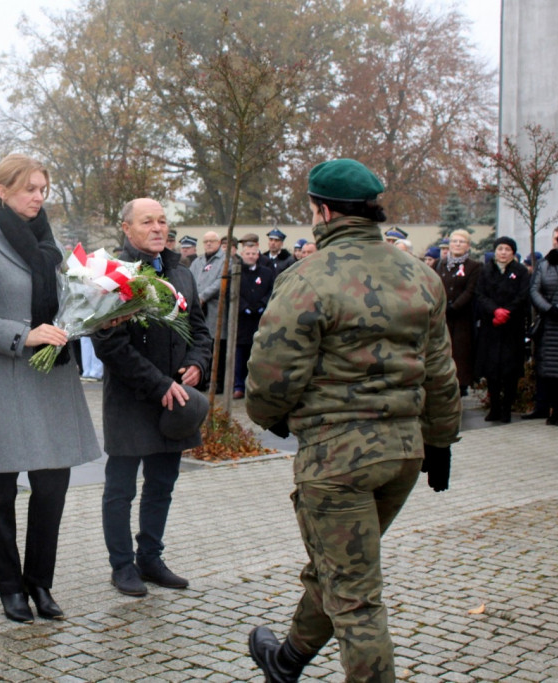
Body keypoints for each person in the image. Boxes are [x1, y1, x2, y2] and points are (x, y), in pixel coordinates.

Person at [245, 158, 461, 682]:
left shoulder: (307, 277)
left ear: (321, 211)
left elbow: (270, 379)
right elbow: (440, 372)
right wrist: (441, 442)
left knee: (356, 597)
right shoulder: (422, 275)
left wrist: (272, 419)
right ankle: (288, 660)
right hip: (403, 455)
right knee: (341, 570)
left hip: (337, 461)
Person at [0, 154, 101, 624]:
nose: (38, 197)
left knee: (52, 487)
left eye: (43, 189)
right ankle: (8, 586)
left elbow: (66, 300)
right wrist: (25, 334)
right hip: (3, 381)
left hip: (52, 377)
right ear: (2, 191)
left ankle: (40, 582)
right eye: (29, 188)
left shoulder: (47, 242)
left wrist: (95, 309)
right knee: (0, 491)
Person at [92, 198, 211, 597]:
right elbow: (109, 344)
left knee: (162, 483)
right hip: (133, 399)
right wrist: (159, 384)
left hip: (176, 400)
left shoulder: (181, 273)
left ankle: (151, 557)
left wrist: (197, 363)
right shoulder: (113, 275)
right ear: (127, 228)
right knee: (121, 487)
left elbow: (199, 328)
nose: (158, 228)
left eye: (162, 221)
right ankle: (122, 564)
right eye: (148, 222)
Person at [474, 236, 530, 423]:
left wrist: (507, 312)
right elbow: (480, 294)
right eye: (500, 249)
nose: (503, 252)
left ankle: (506, 407)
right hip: (491, 326)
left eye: (507, 249)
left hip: (512, 327)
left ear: (513, 252)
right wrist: (494, 310)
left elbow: (523, 295)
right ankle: (495, 407)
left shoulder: (520, 271)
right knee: (492, 370)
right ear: (495, 251)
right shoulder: (486, 270)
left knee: (510, 370)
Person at [435, 229, 481, 396]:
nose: (457, 244)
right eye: (454, 241)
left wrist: (454, 307)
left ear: (467, 246)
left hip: (462, 319)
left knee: (460, 355)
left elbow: (470, 291)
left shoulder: (474, 266)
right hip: (442, 317)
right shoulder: (439, 264)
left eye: (461, 242)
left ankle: (460, 387)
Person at [190, 231, 232, 390]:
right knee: (200, 342)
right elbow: (190, 279)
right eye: (205, 241)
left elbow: (221, 281)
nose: (208, 244)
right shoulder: (198, 261)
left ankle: (217, 382)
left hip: (215, 309)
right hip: (197, 309)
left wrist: (203, 296)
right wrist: (194, 297)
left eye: (212, 241)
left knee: (216, 345)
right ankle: (201, 378)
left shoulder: (225, 261)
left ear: (219, 243)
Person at [232, 242, 273, 400]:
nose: (251, 256)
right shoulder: (237, 272)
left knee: (258, 354)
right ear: (242, 254)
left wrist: (263, 304)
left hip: (260, 320)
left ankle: (255, 387)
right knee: (240, 356)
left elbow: (271, 289)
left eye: (253, 253)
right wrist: (245, 307)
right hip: (242, 321)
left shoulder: (267, 272)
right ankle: (239, 386)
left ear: (258, 255)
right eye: (248, 253)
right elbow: (233, 292)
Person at [530, 228, 558, 424]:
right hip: (549, 324)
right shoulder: (545, 263)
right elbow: (534, 290)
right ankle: (547, 408)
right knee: (548, 369)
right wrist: (548, 309)